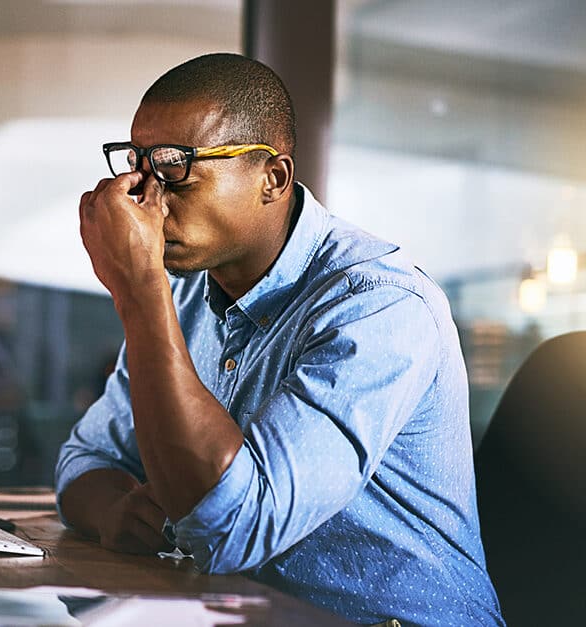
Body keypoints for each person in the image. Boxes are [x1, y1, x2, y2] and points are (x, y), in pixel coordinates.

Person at [55, 53, 503, 625]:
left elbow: (232, 525)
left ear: (273, 178)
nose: (146, 198)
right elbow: (84, 458)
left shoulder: (378, 307)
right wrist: (114, 510)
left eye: (175, 168)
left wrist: (139, 290)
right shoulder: (191, 296)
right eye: (138, 167)